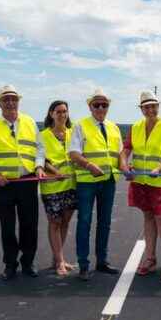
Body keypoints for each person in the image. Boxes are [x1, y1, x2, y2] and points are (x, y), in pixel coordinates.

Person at [0, 85, 46, 281]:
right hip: (3, 184)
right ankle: (10, 263)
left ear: (18, 101)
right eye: (6, 99)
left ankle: (28, 262)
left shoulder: (30, 123)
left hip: (27, 181)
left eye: (13, 99)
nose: (10, 102)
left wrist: (39, 166)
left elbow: (39, 149)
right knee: (7, 226)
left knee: (29, 225)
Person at [120, 91, 161, 282]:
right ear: (142, 109)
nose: (150, 110)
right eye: (146, 107)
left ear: (158, 107)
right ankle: (150, 258)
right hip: (141, 181)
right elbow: (126, 149)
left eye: (153, 106)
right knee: (147, 217)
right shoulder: (136, 127)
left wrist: (159, 168)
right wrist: (124, 165)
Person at [69, 88, 123, 281]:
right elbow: (74, 153)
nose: (100, 108)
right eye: (96, 104)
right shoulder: (80, 126)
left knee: (105, 223)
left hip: (108, 181)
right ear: (89, 106)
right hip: (87, 182)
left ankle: (102, 261)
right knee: (84, 222)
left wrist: (125, 167)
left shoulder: (113, 127)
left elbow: (120, 154)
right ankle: (83, 264)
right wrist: (89, 165)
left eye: (104, 105)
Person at [40, 100, 78, 277]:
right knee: (54, 223)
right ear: (51, 114)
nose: (62, 114)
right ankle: (60, 261)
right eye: (58, 111)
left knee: (65, 222)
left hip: (71, 185)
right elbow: (41, 159)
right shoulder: (43, 135)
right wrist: (56, 172)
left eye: (65, 111)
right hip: (52, 186)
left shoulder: (73, 133)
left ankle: (58, 258)